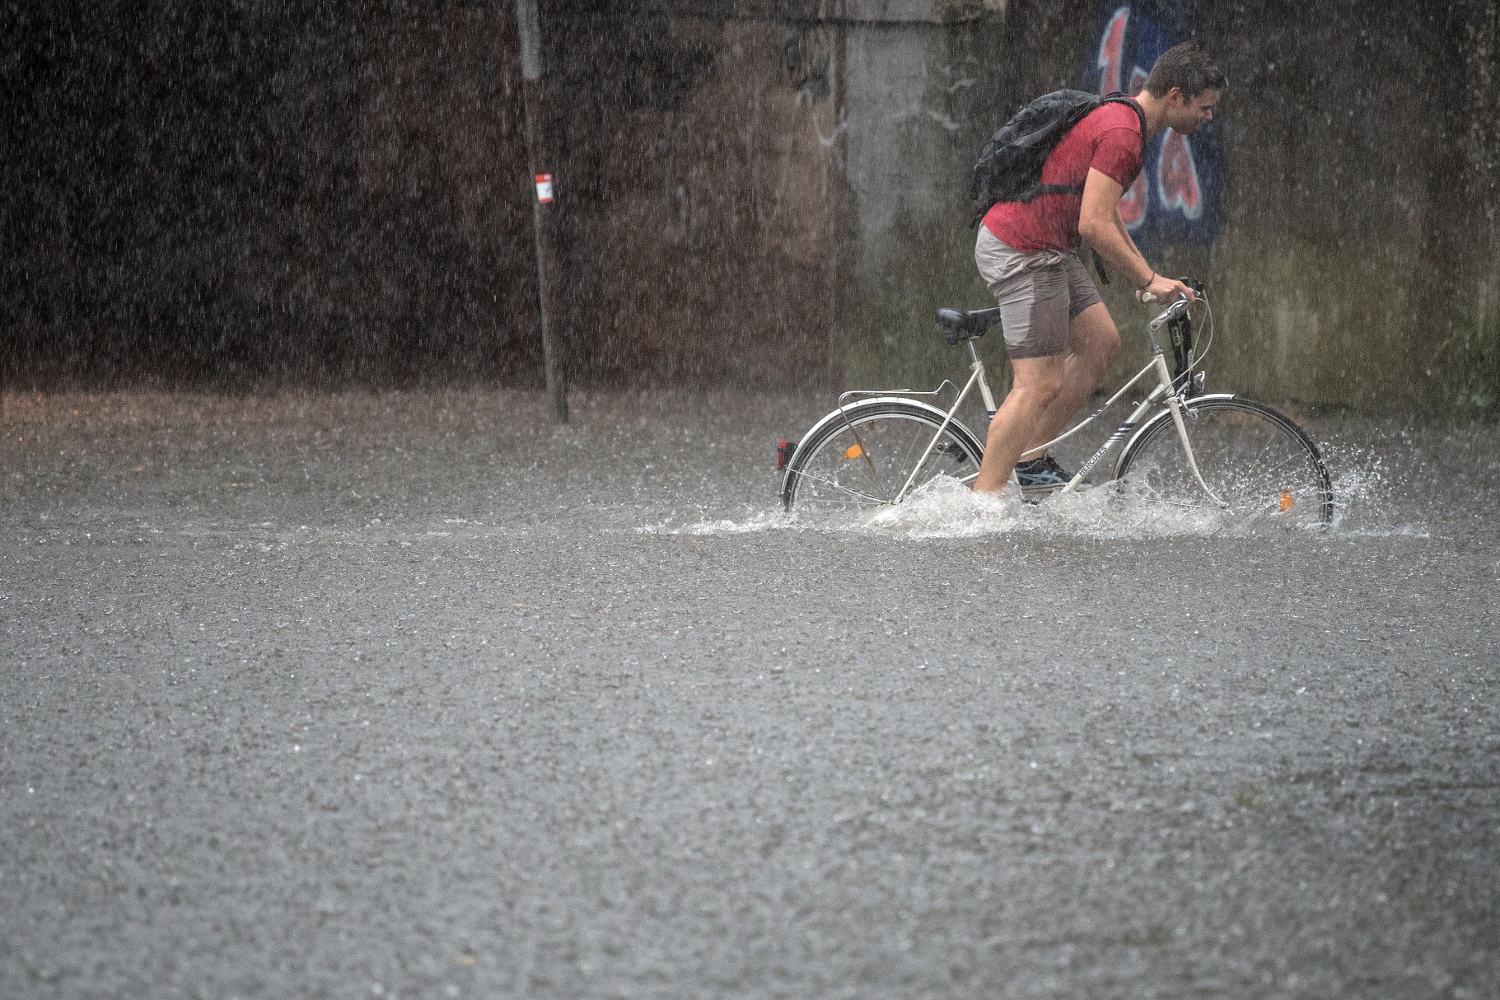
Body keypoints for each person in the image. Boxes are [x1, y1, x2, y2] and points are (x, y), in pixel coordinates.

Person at [971, 41, 1226, 497]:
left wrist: (1147, 274)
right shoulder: (1123, 133)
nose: (1208, 116)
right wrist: (1147, 279)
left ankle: (1030, 461)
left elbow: (1105, 213)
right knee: (1038, 383)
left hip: (1048, 246)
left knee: (1101, 343)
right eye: (1204, 107)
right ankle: (983, 504)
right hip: (1023, 248)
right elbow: (1092, 223)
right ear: (1175, 96)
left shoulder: (1127, 119)